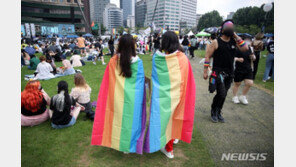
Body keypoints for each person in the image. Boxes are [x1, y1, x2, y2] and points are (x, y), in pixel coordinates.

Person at [91, 34, 146, 154]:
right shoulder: (138, 62)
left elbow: (108, 81)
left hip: (117, 96)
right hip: (134, 97)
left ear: (119, 45)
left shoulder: (113, 61)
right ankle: (129, 144)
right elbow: (140, 82)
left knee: (119, 119)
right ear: (133, 45)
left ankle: (120, 142)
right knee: (132, 120)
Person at [144, 31, 196, 159]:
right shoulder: (182, 57)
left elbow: (155, 77)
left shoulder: (157, 57)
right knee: (174, 118)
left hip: (162, 96)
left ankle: (168, 147)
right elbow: (186, 77)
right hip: (177, 94)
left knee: (163, 120)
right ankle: (172, 142)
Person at [203, 20, 249, 123]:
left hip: (230, 73)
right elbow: (207, 56)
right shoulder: (216, 42)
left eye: (232, 27)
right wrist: (205, 71)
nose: (230, 28)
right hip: (217, 72)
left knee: (223, 93)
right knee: (222, 93)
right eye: (228, 26)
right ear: (222, 29)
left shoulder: (234, 41)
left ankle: (218, 111)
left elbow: (245, 48)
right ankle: (213, 111)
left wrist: (236, 36)